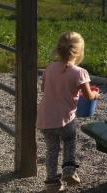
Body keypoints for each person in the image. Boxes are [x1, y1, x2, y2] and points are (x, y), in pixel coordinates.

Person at [36, 32, 100, 193]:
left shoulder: (50, 68)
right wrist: (96, 95)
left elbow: (44, 89)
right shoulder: (80, 73)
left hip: (45, 118)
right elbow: (88, 95)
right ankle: (69, 169)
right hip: (65, 118)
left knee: (52, 150)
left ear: (59, 49)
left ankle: (51, 184)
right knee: (70, 140)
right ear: (79, 52)